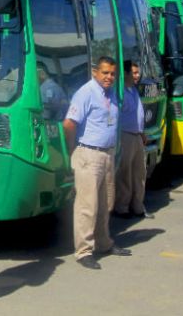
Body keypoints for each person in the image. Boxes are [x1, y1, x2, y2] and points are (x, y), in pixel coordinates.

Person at [62, 56, 132, 270]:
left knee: (105, 203)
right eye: (105, 73)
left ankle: (104, 243)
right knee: (87, 206)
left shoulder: (111, 94)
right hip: (88, 154)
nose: (109, 77)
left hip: (107, 155)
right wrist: (73, 150)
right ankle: (83, 251)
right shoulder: (86, 93)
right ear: (95, 72)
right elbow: (68, 124)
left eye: (112, 73)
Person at [114, 61, 154, 219]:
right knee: (125, 172)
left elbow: (137, 115)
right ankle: (122, 207)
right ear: (125, 74)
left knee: (140, 172)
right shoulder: (119, 92)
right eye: (134, 73)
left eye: (138, 72)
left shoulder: (134, 91)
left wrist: (142, 133)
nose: (138, 76)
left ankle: (138, 206)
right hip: (125, 135)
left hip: (137, 135)